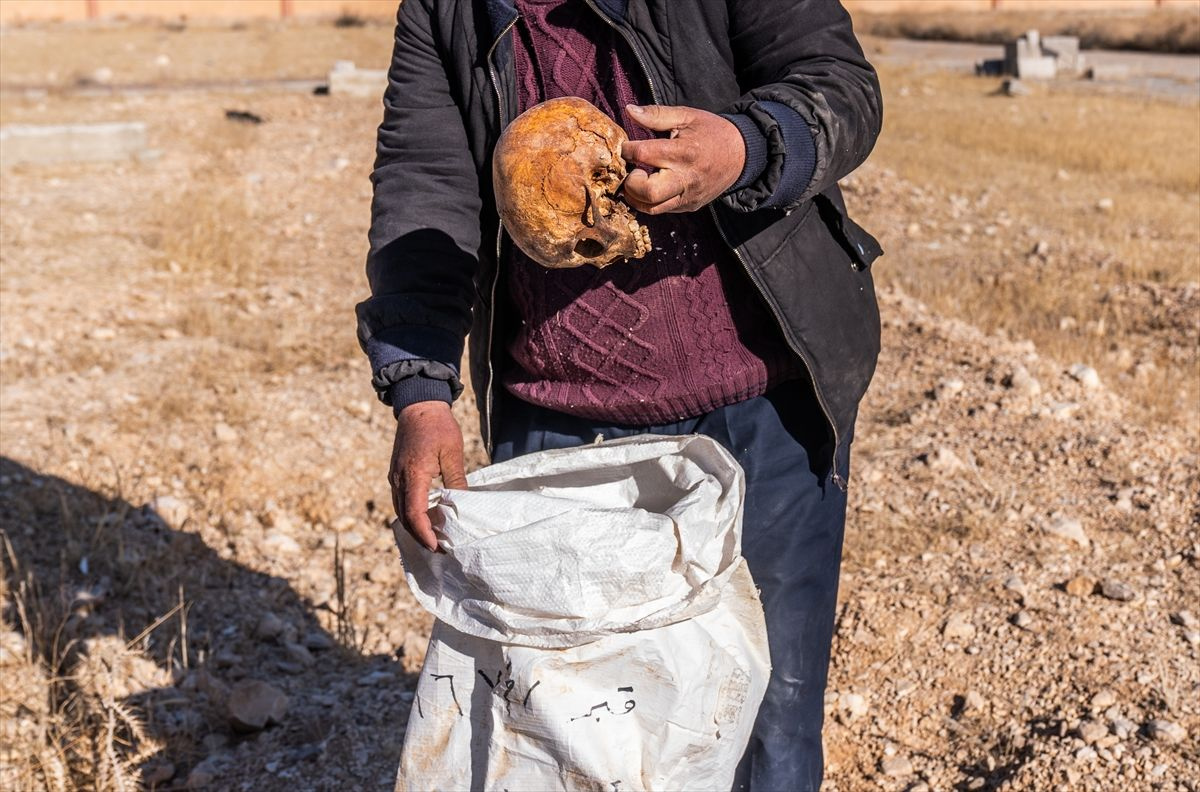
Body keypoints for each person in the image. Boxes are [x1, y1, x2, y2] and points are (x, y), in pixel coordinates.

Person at [356, 1, 882, 789]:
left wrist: (741, 147)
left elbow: (841, 86)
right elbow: (425, 187)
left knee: (766, 719)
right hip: (560, 431)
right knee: (576, 735)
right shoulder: (447, 10)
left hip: (760, 410)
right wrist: (421, 393)